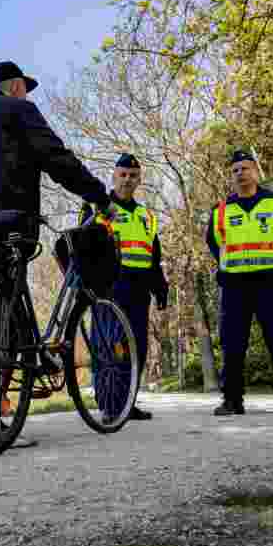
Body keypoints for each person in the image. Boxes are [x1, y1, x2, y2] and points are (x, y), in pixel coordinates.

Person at [0, 60, 114, 448]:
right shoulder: (19, 110)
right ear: (15, 87)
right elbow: (56, 159)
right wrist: (98, 195)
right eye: (25, 87)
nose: (27, 94)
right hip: (0, 227)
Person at [206, 150, 273, 416]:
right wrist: (226, 266)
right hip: (234, 285)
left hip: (271, 281)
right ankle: (232, 400)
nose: (240, 174)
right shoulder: (220, 210)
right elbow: (213, 242)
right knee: (232, 343)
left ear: (256, 171)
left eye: (245, 168)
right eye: (235, 170)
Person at [79, 153, 168, 422]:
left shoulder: (146, 216)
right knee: (110, 348)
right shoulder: (97, 208)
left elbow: (153, 254)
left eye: (132, 176)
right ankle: (109, 405)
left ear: (139, 179)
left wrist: (160, 286)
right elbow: (83, 248)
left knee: (136, 348)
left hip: (139, 290)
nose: (127, 180)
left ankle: (127, 403)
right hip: (109, 289)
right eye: (122, 175)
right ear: (114, 176)